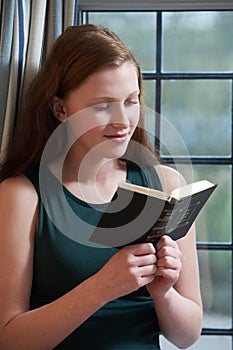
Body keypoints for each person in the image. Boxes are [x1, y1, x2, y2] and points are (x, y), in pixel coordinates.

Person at [0, 24, 202, 349]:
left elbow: (187, 335)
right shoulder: (22, 196)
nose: (123, 121)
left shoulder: (166, 185)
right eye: (103, 105)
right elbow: (8, 339)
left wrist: (163, 291)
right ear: (60, 109)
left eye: (131, 101)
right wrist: (102, 288)